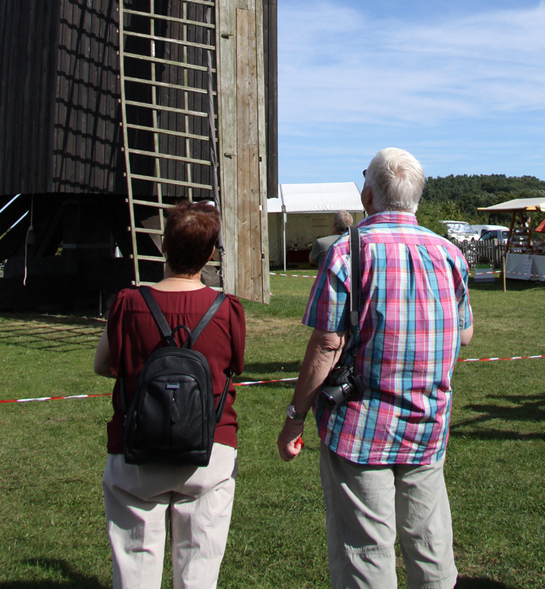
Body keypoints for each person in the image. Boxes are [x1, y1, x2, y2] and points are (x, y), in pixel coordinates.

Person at [277, 147, 474, 589]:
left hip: (360, 429)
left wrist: (294, 419)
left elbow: (327, 343)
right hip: (427, 423)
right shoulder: (450, 255)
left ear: (368, 196)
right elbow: (463, 335)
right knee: (431, 544)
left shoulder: (348, 254)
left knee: (365, 551)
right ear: (417, 198)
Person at [94, 201, 245, 588]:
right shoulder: (227, 310)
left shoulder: (129, 304)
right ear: (210, 253)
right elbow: (234, 367)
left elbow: (102, 365)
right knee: (199, 565)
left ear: (164, 247)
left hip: (137, 447)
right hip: (208, 448)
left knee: (135, 562)